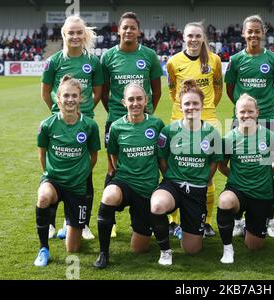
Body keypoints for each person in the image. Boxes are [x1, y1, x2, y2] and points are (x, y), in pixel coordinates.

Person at [41, 14, 104, 240]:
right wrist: (58, 112)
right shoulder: (54, 61)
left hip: (83, 124)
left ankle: (82, 223)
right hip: (60, 123)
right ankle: (49, 224)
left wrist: (83, 113)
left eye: (79, 32)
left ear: (84, 34)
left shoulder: (93, 62)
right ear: (64, 35)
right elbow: (45, 92)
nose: (75, 36)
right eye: (71, 32)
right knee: (55, 172)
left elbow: (98, 92)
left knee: (84, 173)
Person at [101, 12, 163, 237]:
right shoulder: (108, 57)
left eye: (132, 28)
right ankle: (110, 216)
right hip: (116, 122)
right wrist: (118, 117)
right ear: (119, 30)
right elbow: (104, 91)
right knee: (113, 169)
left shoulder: (149, 55)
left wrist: (147, 112)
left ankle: (147, 212)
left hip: (143, 122)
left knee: (146, 162)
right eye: (124, 27)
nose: (128, 31)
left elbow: (156, 90)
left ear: (139, 31)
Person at [225, 14, 274, 238]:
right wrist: (244, 111)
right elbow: (231, 89)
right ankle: (239, 220)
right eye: (249, 31)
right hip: (240, 120)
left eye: (257, 31)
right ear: (243, 33)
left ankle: (269, 220)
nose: (253, 35)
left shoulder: (273, 60)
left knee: (268, 171)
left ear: (263, 33)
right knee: (239, 167)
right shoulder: (236, 60)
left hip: (267, 120)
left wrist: (264, 108)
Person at [93, 83, 165, 268]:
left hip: (146, 189)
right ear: (124, 102)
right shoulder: (116, 127)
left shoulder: (156, 124)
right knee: (109, 195)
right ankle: (103, 253)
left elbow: (161, 157)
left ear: (146, 100)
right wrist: (125, 172)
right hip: (124, 182)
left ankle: (143, 227)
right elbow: (114, 155)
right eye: (131, 99)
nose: (135, 103)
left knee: (139, 249)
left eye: (139, 98)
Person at [150, 80, 222, 263]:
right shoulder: (169, 131)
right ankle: (165, 251)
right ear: (180, 106)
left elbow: (214, 161)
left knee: (192, 250)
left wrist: (206, 178)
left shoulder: (212, 133)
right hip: (173, 185)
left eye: (195, 103)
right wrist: (169, 176)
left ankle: (186, 226)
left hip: (197, 190)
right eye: (187, 104)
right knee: (157, 205)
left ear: (202, 105)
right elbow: (162, 158)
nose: (191, 107)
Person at [34, 75, 101, 266]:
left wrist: (81, 174)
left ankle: (68, 227)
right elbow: (42, 154)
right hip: (54, 180)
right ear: (58, 98)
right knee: (43, 197)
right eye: (66, 96)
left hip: (77, 186)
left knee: (72, 249)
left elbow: (93, 155)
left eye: (74, 95)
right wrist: (48, 175)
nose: (70, 99)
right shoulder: (47, 125)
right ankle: (43, 249)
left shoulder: (89, 125)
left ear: (80, 98)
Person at [166, 21, 223, 238]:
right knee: (176, 169)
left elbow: (218, 89)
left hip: (208, 119)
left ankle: (206, 222)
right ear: (183, 37)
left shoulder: (214, 60)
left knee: (207, 174)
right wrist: (185, 110)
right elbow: (173, 91)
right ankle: (173, 221)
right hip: (179, 118)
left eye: (197, 36)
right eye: (190, 36)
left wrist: (206, 109)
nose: (194, 39)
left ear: (203, 38)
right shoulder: (173, 62)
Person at [217, 94, 274, 264]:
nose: (246, 115)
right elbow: (222, 166)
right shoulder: (228, 138)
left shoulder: (270, 136)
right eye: (242, 112)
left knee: (254, 246)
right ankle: (227, 249)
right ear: (236, 113)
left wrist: (264, 176)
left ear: (257, 112)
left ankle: (248, 225)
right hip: (237, 190)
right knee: (224, 201)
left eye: (250, 111)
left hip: (261, 194)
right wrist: (238, 178)